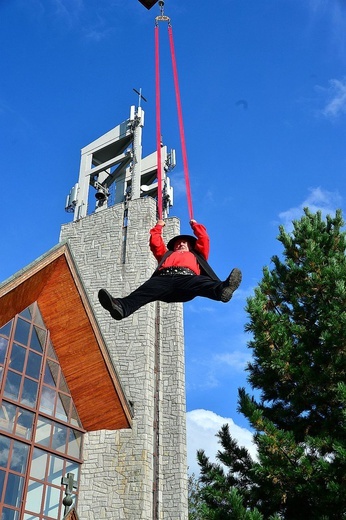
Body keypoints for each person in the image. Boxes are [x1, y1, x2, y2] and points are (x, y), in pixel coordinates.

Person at [98, 219, 242, 320]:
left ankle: (223, 289)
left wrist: (195, 225)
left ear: (191, 246)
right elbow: (155, 244)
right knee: (144, 291)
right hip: (163, 280)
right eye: (178, 244)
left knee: (202, 282)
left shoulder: (197, 254)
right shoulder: (166, 255)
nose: (180, 245)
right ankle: (121, 307)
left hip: (187, 280)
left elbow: (204, 238)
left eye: (184, 243)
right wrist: (158, 227)